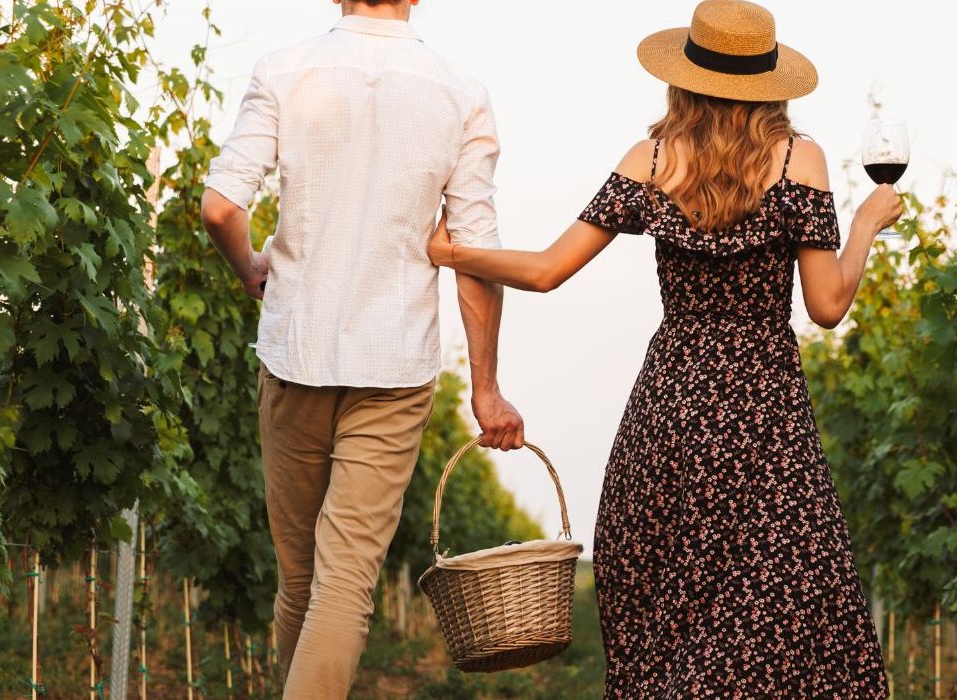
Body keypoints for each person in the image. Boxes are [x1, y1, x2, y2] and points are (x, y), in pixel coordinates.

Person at [425, 0, 903, 695]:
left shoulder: (650, 160)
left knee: (667, 605)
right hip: (761, 417)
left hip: (671, 408)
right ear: (769, 83)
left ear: (684, 77)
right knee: (780, 604)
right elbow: (828, 307)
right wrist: (863, 226)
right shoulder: (801, 159)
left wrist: (452, 251)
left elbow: (546, 271)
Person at [198, 0, 524, 696]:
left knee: (300, 580)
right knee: (344, 583)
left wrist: (249, 265)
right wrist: (487, 387)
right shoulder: (462, 94)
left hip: (295, 351)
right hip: (394, 366)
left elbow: (222, 205)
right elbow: (472, 254)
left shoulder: (283, 71)